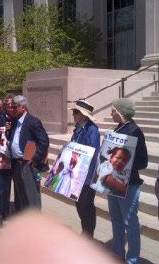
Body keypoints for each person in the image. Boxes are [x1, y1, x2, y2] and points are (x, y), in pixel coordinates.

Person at [108, 98, 148, 264]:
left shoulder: (135, 131)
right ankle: (118, 253)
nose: (111, 113)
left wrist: (125, 162)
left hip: (129, 185)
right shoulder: (119, 128)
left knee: (129, 222)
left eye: (113, 110)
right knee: (116, 219)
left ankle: (132, 259)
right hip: (113, 182)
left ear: (120, 112)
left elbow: (143, 162)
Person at [8, 95, 49, 211]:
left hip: (28, 164)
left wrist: (35, 159)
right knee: (21, 195)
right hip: (16, 163)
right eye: (11, 107)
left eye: (15, 107)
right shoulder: (15, 121)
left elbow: (44, 142)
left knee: (32, 196)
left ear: (23, 107)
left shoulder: (33, 122)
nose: (12, 109)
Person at [69, 99, 100, 237]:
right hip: (76, 172)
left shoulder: (92, 130)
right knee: (79, 204)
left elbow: (91, 152)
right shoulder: (77, 129)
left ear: (83, 115)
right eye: (74, 112)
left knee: (86, 205)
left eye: (76, 112)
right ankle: (85, 230)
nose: (73, 115)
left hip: (87, 174)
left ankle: (89, 233)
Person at [0, 94, 17, 219]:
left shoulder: (19, 119)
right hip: (3, 157)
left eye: (12, 105)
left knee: (19, 187)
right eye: (8, 105)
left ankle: (18, 210)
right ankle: (2, 211)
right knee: (4, 186)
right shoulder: (0, 119)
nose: (10, 107)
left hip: (17, 159)